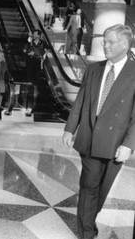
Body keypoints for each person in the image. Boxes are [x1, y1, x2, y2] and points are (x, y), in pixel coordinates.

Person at [62, 24, 135, 239]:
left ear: (125, 43)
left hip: (116, 143)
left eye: (110, 41)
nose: (105, 45)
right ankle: (86, 232)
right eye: (104, 41)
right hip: (89, 138)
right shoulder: (94, 69)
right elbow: (81, 101)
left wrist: (129, 145)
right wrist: (70, 129)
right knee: (89, 186)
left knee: (102, 189)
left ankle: (89, 220)